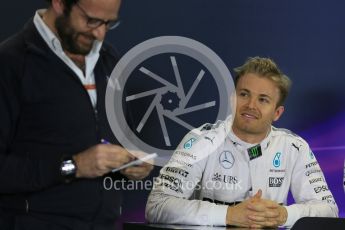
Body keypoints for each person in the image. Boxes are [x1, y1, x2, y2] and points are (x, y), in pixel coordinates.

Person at [0, 0, 153, 229]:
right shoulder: (10, 62)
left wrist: (130, 164)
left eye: (109, 23)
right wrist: (74, 165)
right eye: (91, 20)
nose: (100, 33)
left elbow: (120, 141)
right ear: (59, 3)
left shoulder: (109, 60)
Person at [145, 57, 338, 228]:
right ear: (232, 99)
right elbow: (157, 205)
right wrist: (229, 215)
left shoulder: (295, 147)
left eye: (263, 99)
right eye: (244, 94)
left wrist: (283, 215)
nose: (250, 105)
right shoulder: (200, 141)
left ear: (277, 113)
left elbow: (329, 210)